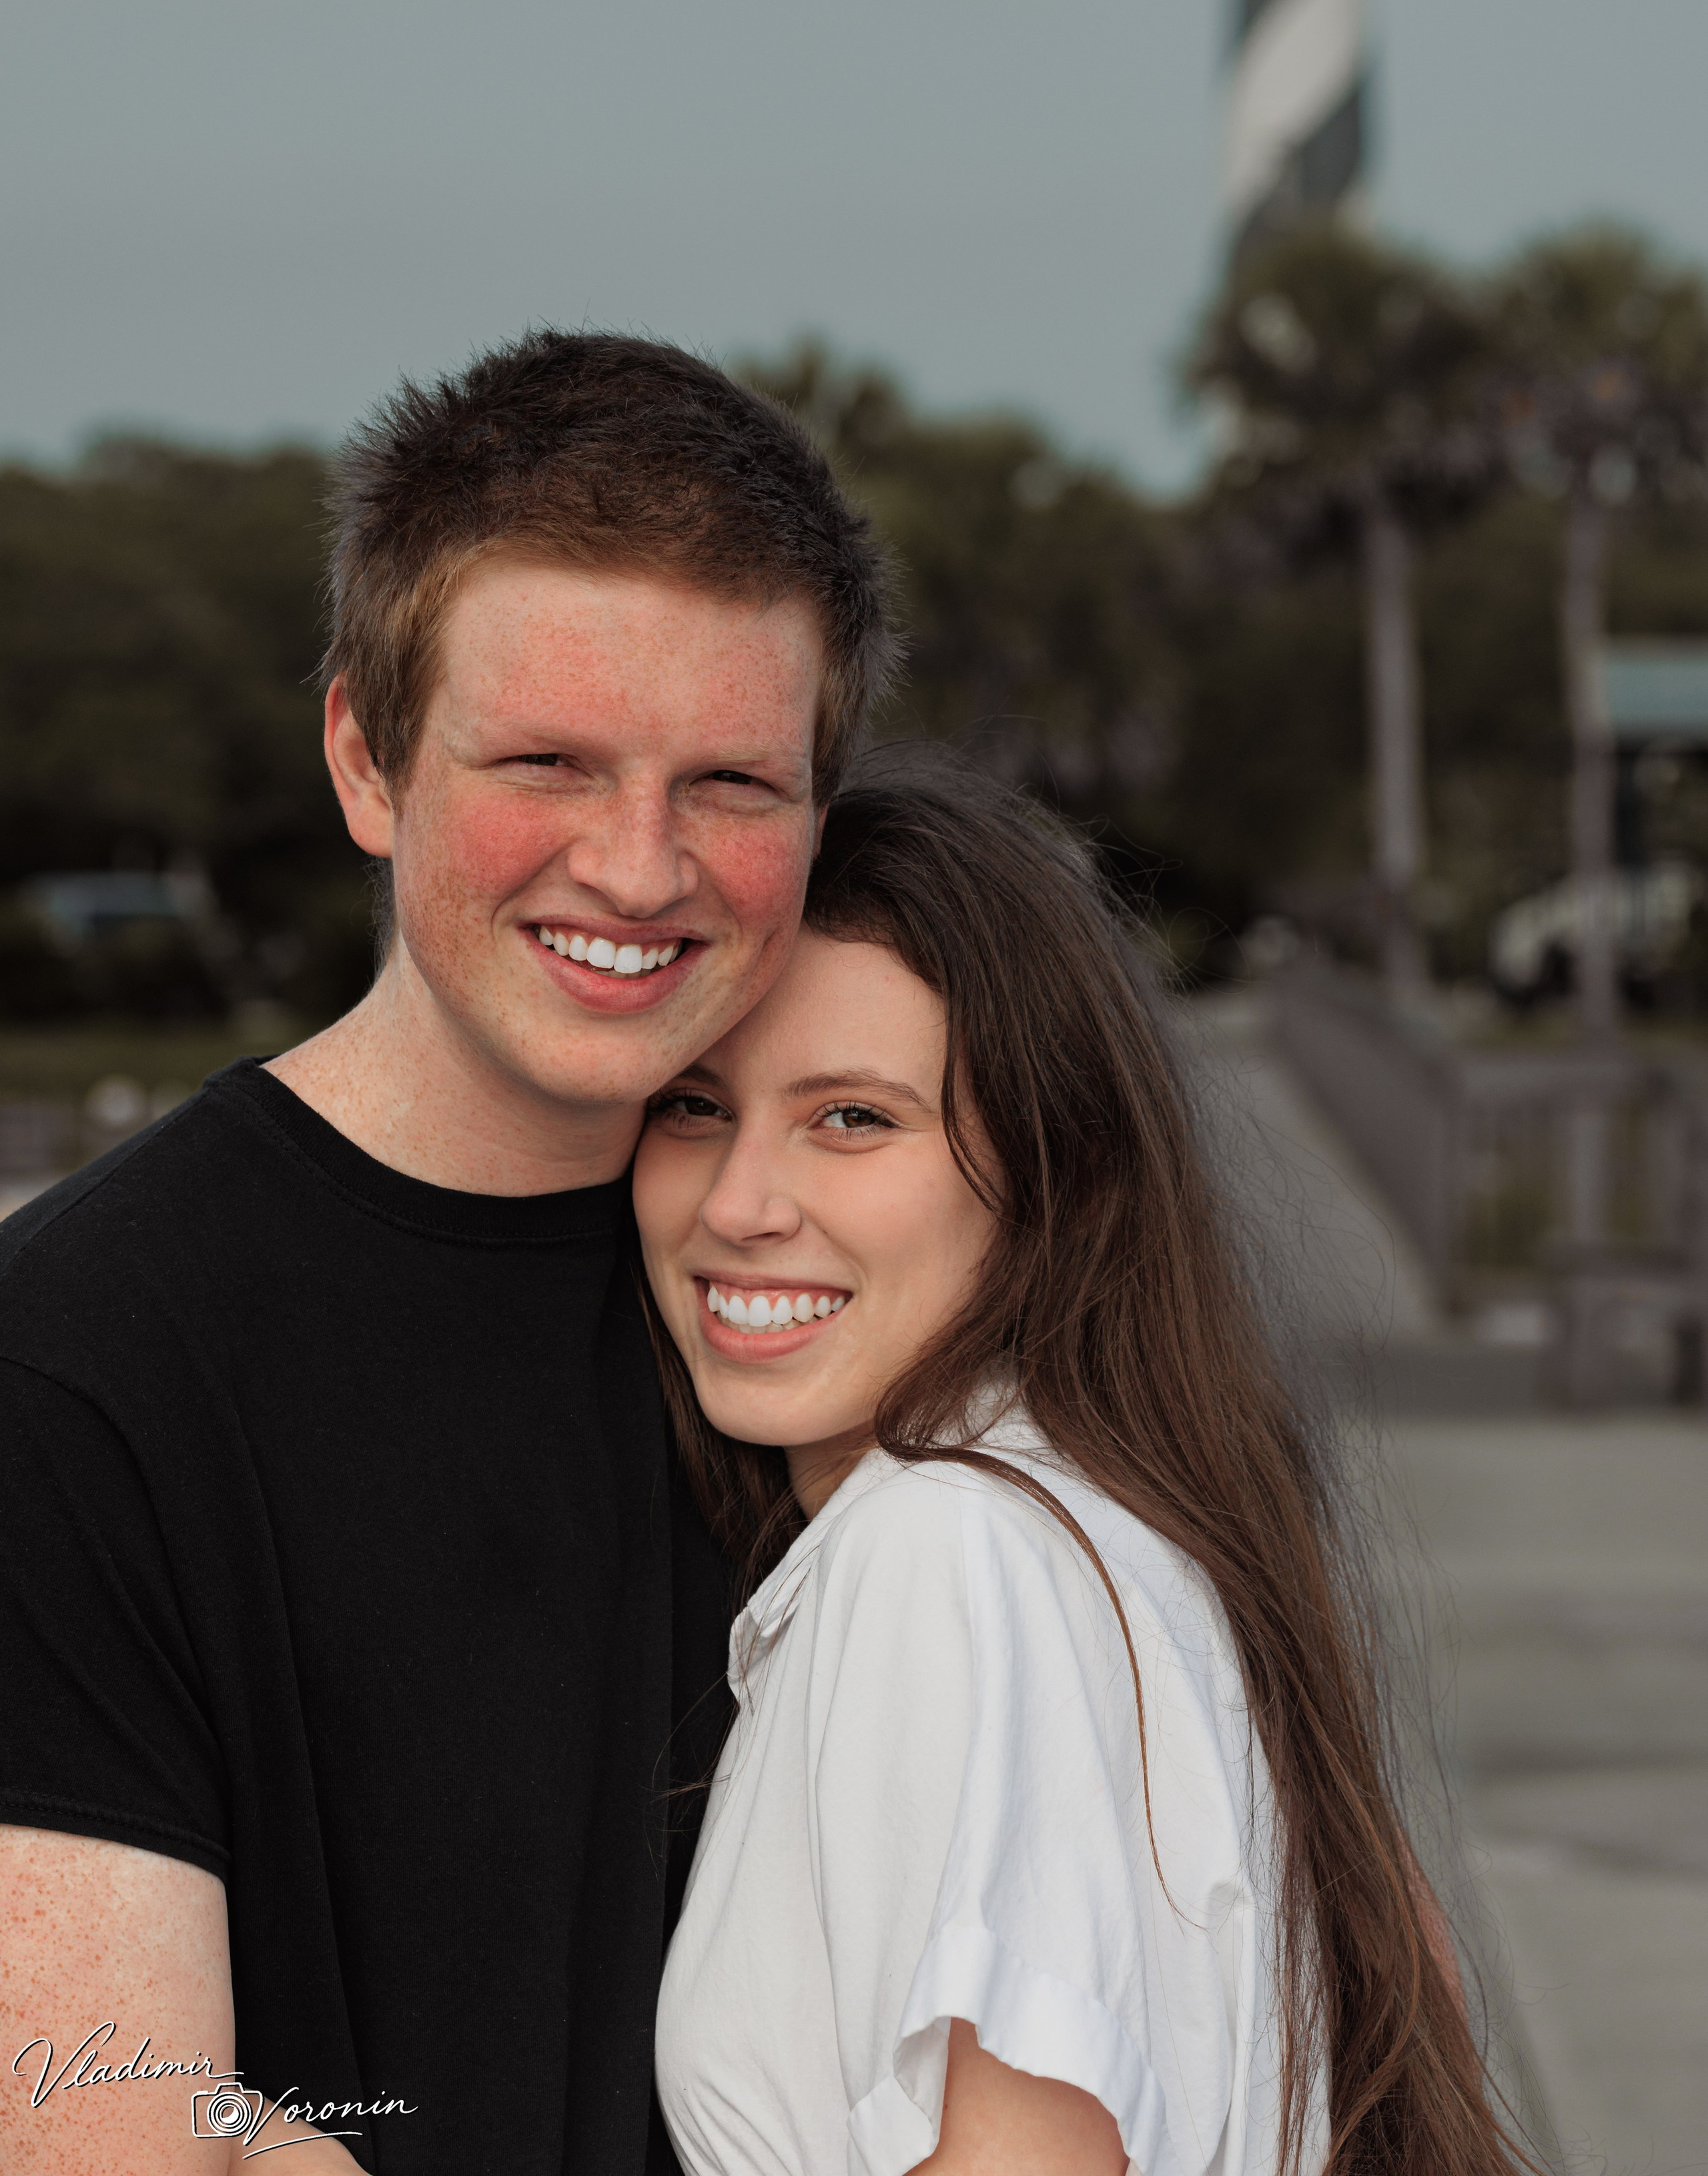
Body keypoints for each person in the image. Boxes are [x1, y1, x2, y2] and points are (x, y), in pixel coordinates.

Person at [0, 332, 895, 2176]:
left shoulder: (876, 1293)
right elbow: (98, 2124)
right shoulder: (75, 1363)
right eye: (547, 760)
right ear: (366, 756)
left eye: (733, 782)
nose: (637, 867)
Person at [636, 753, 1526, 2176]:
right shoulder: (1109, 1535)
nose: (739, 1203)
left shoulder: (944, 1552)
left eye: (852, 1116)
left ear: (1050, 1177)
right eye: (691, 1104)